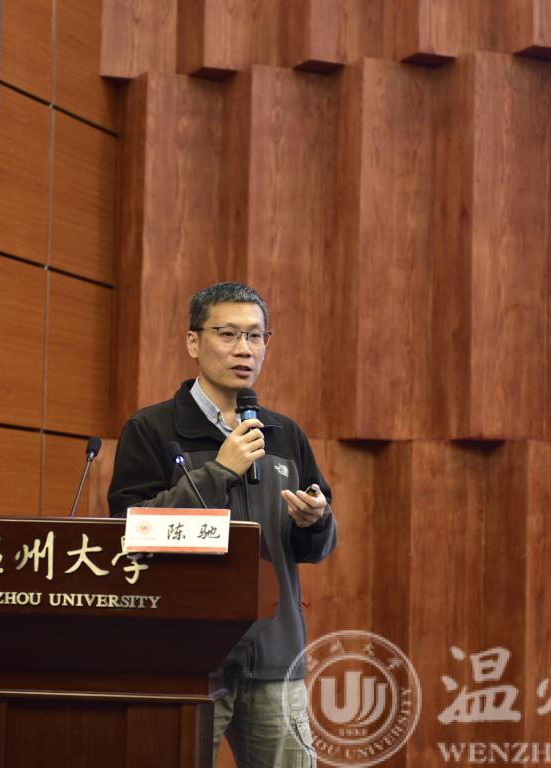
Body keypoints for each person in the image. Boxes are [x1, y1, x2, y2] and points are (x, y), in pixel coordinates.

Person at [108, 281, 337, 768]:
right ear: (194, 342)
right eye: (228, 334)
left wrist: (315, 521)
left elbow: (315, 547)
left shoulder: (284, 434)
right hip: (185, 662)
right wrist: (219, 472)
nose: (244, 349)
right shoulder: (152, 429)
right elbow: (131, 531)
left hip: (275, 659)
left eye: (255, 336)